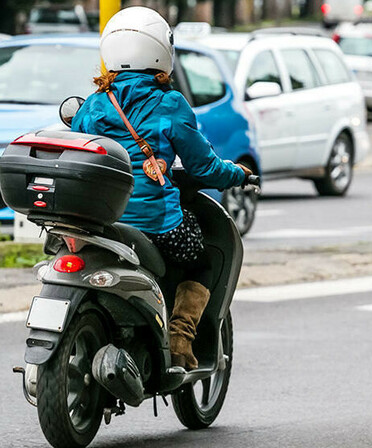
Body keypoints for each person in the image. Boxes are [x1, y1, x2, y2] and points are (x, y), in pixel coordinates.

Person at [71, 6, 251, 371]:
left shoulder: (92, 105)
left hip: (100, 221)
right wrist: (237, 175)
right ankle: (180, 338)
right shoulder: (169, 104)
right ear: (160, 51)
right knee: (201, 263)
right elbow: (204, 167)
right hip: (155, 223)